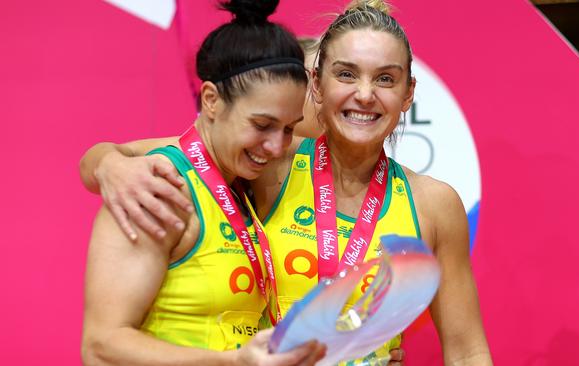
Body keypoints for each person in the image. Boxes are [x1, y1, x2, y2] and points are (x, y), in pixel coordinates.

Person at [80, 1, 492, 365]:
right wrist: (107, 164)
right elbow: (170, 153)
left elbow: (467, 350)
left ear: (407, 93)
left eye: (386, 79)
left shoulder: (435, 204)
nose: (365, 95)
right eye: (346, 74)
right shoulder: (271, 161)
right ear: (318, 84)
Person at [80, 1, 327, 365]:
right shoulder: (156, 188)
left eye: (288, 128)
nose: (277, 146)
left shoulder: (240, 183)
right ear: (210, 100)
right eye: (261, 125)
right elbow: (101, 348)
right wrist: (234, 363)